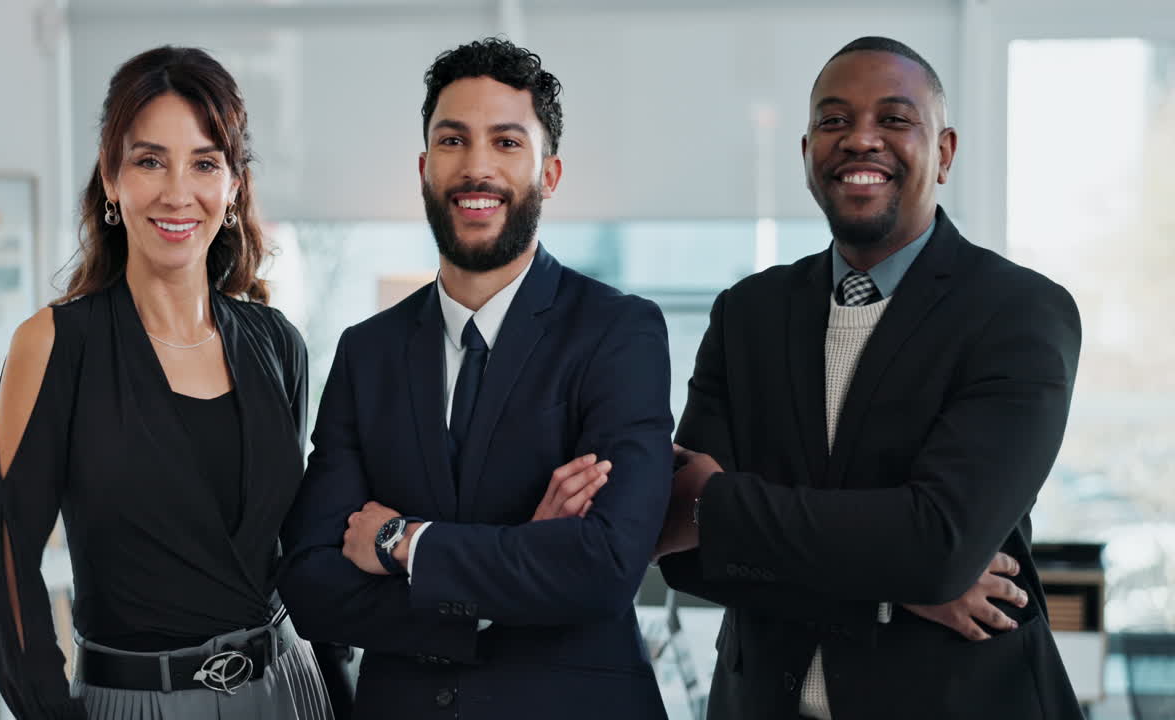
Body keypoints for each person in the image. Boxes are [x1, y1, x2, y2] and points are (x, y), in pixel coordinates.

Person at [654, 36, 1084, 719]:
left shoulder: (1019, 313)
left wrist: (724, 508)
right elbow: (681, 542)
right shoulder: (748, 313)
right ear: (805, 155)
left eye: (893, 119)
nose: (860, 140)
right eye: (833, 121)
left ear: (943, 153)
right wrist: (893, 588)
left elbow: (938, 543)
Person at [278, 37, 672, 720]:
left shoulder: (619, 332)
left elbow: (605, 566)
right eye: (454, 141)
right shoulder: (366, 352)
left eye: (507, 143)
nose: (477, 167)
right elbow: (313, 584)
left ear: (548, 174)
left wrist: (402, 541)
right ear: (426, 169)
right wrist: (517, 568)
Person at [0, 46, 334, 719]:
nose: (177, 191)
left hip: (292, 688)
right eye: (149, 160)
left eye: (204, 162)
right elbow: (8, 574)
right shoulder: (53, 345)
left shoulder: (277, 342)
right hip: (138, 702)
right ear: (111, 179)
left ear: (233, 186)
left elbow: (301, 551)